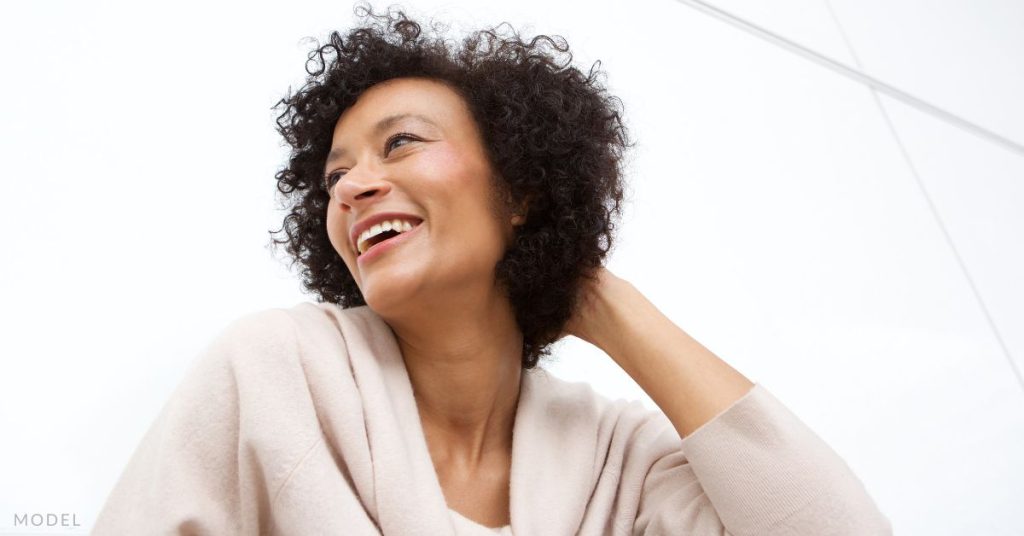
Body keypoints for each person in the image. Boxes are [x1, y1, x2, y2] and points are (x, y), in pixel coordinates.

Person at [91, 4, 892, 535]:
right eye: (335, 177)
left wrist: (607, 304)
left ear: (520, 186)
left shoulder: (621, 461)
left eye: (400, 143)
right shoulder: (274, 373)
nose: (354, 187)